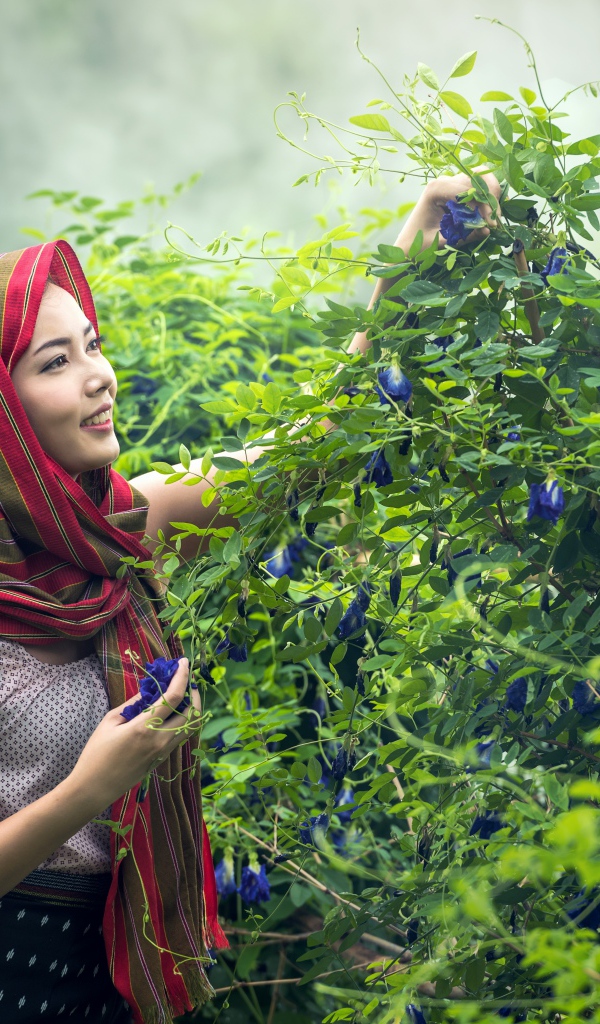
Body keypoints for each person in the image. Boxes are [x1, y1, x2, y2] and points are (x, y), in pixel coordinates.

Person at [0, 170, 500, 1024]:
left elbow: (327, 437)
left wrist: (421, 233)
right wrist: (90, 790)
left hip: (115, 967)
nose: (99, 376)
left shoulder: (126, 527)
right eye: (57, 362)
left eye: (93, 345)